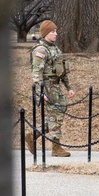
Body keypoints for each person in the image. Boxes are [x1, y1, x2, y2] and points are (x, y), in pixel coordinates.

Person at [28, 20, 74, 157]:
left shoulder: (55, 48)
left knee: (59, 111)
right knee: (55, 115)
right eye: (53, 31)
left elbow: (61, 70)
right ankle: (56, 147)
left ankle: (33, 135)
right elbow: (36, 73)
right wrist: (40, 92)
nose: (56, 34)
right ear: (45, 33)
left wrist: (68, 87)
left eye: (56, 31)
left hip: (56, 86)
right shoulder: (40, 50)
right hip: (47, 87)